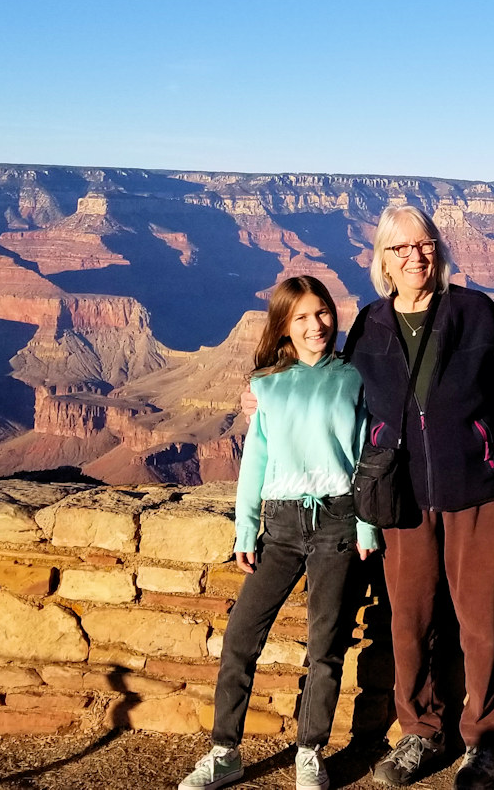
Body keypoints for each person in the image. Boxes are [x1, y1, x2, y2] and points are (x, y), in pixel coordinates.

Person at [343, 204, 494, 790]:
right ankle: (420, 732)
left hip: (479, 492)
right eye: (401, 248)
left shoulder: (475, 312)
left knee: (480, 620)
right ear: (382, 260)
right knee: (408, 621)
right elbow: (337, 394)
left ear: (439, 248)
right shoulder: (369, 326)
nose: (416, 256)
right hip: (403, 498)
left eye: (425, 244)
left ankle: (485, 739)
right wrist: (263, 396)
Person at [178, 275, 380, 790]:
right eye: (302, 318)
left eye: (323, 314)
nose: (317, 325)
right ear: (284, 327)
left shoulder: (354, 378)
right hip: (282, 525)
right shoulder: (266, 386)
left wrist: (365, 523)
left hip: (337, 521)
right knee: (242, 637)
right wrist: (245, 528)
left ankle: (309, 752)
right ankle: (225, 752)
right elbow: (257, 461)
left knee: (326, 644)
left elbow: (365, 457)